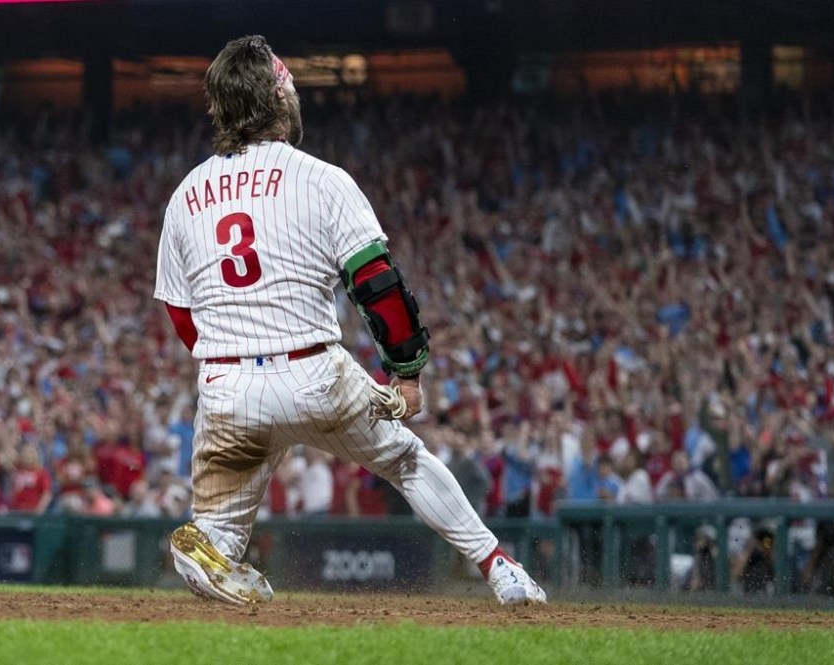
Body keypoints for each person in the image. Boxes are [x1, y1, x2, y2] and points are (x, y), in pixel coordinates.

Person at [154, 35, 545, 606]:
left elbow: (180, 312)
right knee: (407, 460)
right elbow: (376, 283)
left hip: (227, 387)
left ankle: (209, 545)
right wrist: (406, 372)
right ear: (279, 93)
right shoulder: (321, 178)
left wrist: (224, 359)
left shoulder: (185, 194)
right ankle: (500, 567)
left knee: (218, 532)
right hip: (313, 372)